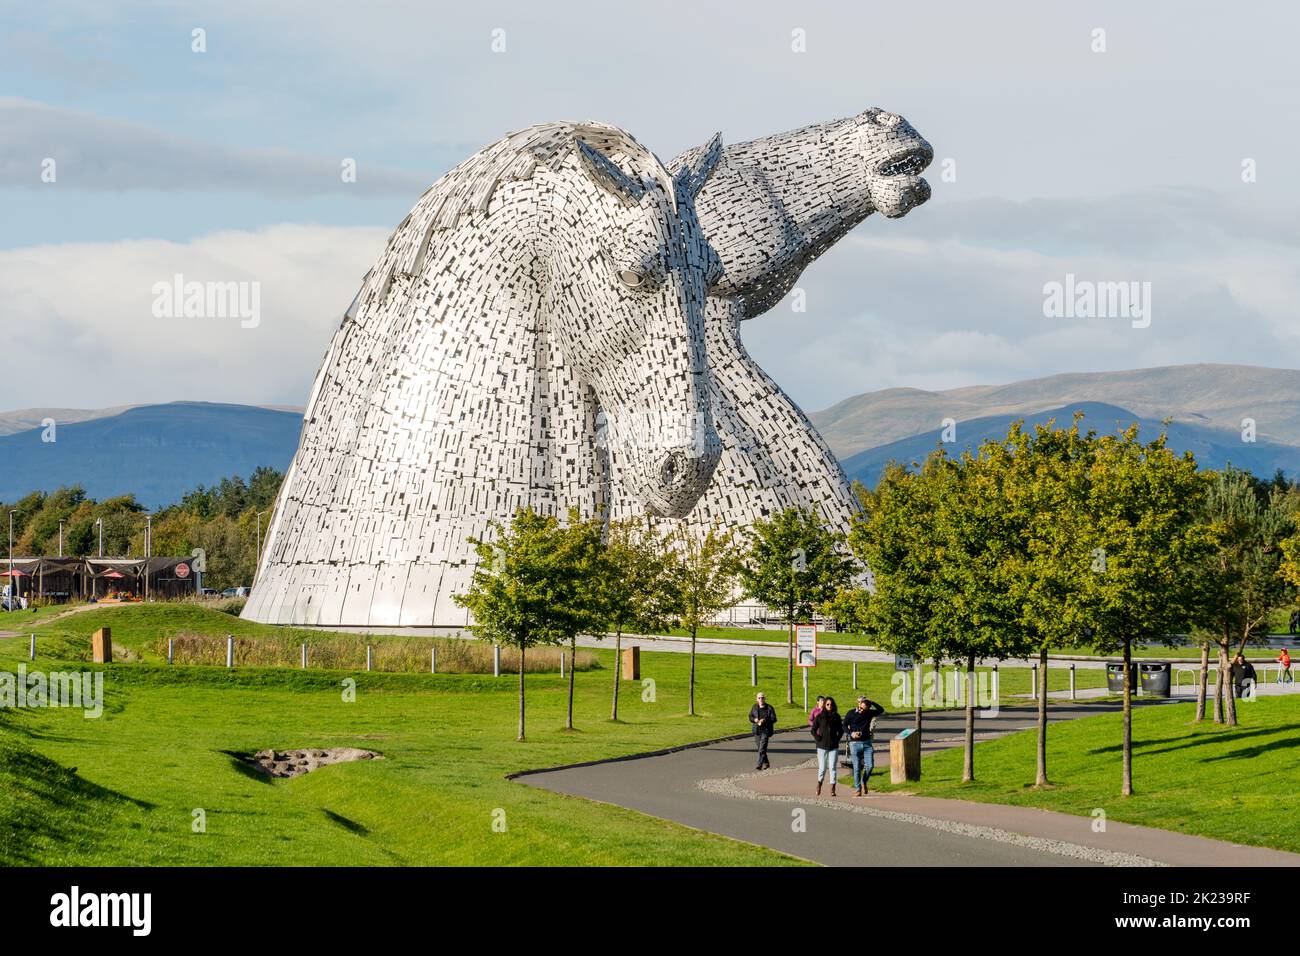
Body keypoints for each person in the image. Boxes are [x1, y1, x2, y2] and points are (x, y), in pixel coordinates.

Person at [842, 695, 885, 796]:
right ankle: (858, 789)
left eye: (864, 706)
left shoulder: (869, 713)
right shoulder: (851, 713)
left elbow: (881, 710)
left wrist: (872, 701)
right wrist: (851, 733)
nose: (862, 708)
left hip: (867, 743)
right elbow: (844, 725)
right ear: (858, 704)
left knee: (870, 766)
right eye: (861, 705)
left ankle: (864, 781)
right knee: (857, 767)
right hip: (854, 744)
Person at [810, 695, 843, 796]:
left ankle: (832, 788)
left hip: (833, 746)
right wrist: (818, 738)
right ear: (824, 705)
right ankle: (819, 784)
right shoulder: (820, 716)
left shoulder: (836, 716)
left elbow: (841, 730)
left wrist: (837, 739)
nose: (830, 706)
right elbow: (813, 730)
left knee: (832, 767)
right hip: (822, 746)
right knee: (822, 768)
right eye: (828, 704)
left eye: (831, 704)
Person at [749, 692, 778, 770]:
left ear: (765, 698)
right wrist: (755, 720)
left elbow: (774, 719)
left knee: (762, 748)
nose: (761, 699)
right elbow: (750, 716)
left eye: (762, 698)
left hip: (766, 730)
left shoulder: (769, 708)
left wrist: (764, 720)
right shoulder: (754, 707)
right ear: (756, 699)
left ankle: (759, 764)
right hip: (757, 731)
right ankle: (766, 763)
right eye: (759, 698)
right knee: (760, 748)